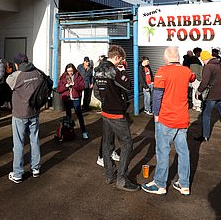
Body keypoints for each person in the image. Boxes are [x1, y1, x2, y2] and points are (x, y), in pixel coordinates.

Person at [142, 46, 195, 196]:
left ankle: (160, 184)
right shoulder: (186, 71)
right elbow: (193, 77)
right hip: (182, 119)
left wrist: (156, 114)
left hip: (166, 119)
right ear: (177, 57)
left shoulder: (162, 72)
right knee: (183, 152)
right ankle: (184, 185)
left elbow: (157, 96)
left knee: (163, 151)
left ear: (166, 58)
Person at [94, 45, 138, 192]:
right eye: (121, 60)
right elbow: (128, 85)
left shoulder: (98, 69)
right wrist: (123, 70)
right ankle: (122, 179)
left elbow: (96, 92)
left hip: (105, 112)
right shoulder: (113, 70)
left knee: (107, 145)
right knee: (127, 144)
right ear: (117, 57)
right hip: (116, 114)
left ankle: (109, 175)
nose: (122, 62)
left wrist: (106, 100)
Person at [6, 53, 44, 183]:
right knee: (34, 140)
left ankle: (17, 173)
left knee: (19, 144)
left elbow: (8, 82)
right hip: (34, 112)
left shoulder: (16, 75)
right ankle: (36, 168)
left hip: (20, 114)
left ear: (17, 64)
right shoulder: (38, 72)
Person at [195, 50, 221, 143]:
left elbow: (204, 82)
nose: (203, 62)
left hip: (212, 95)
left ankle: (205, 136)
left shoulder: (208, 67)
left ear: (205, 59)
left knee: (206, 115)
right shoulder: (220, 65)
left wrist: (198, 92)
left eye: (203, 60)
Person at [57, 63, 88, 139]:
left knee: (79, 115)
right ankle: (69, 132)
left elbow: (82, 86)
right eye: (68, 71)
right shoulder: (63, 77)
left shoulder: (78, 76)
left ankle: (84, 131)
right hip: (67, 99)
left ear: (74, 69)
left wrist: (74, 84)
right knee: (68, 116)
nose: (70, 72)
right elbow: (59, 89)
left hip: (76, 98)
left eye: (71, 70)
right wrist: (65, 86)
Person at [187, 47, 203, 112]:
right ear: (197, 52)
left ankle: (194, 105)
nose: (200, 54)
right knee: (198, 91)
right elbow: (197, 71)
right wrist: (200, 78)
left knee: (194, 91)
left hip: (192, 78)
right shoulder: (195, 60)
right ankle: (198, 106)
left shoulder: (191, 60)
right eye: (200, 52)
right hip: (196, 79)